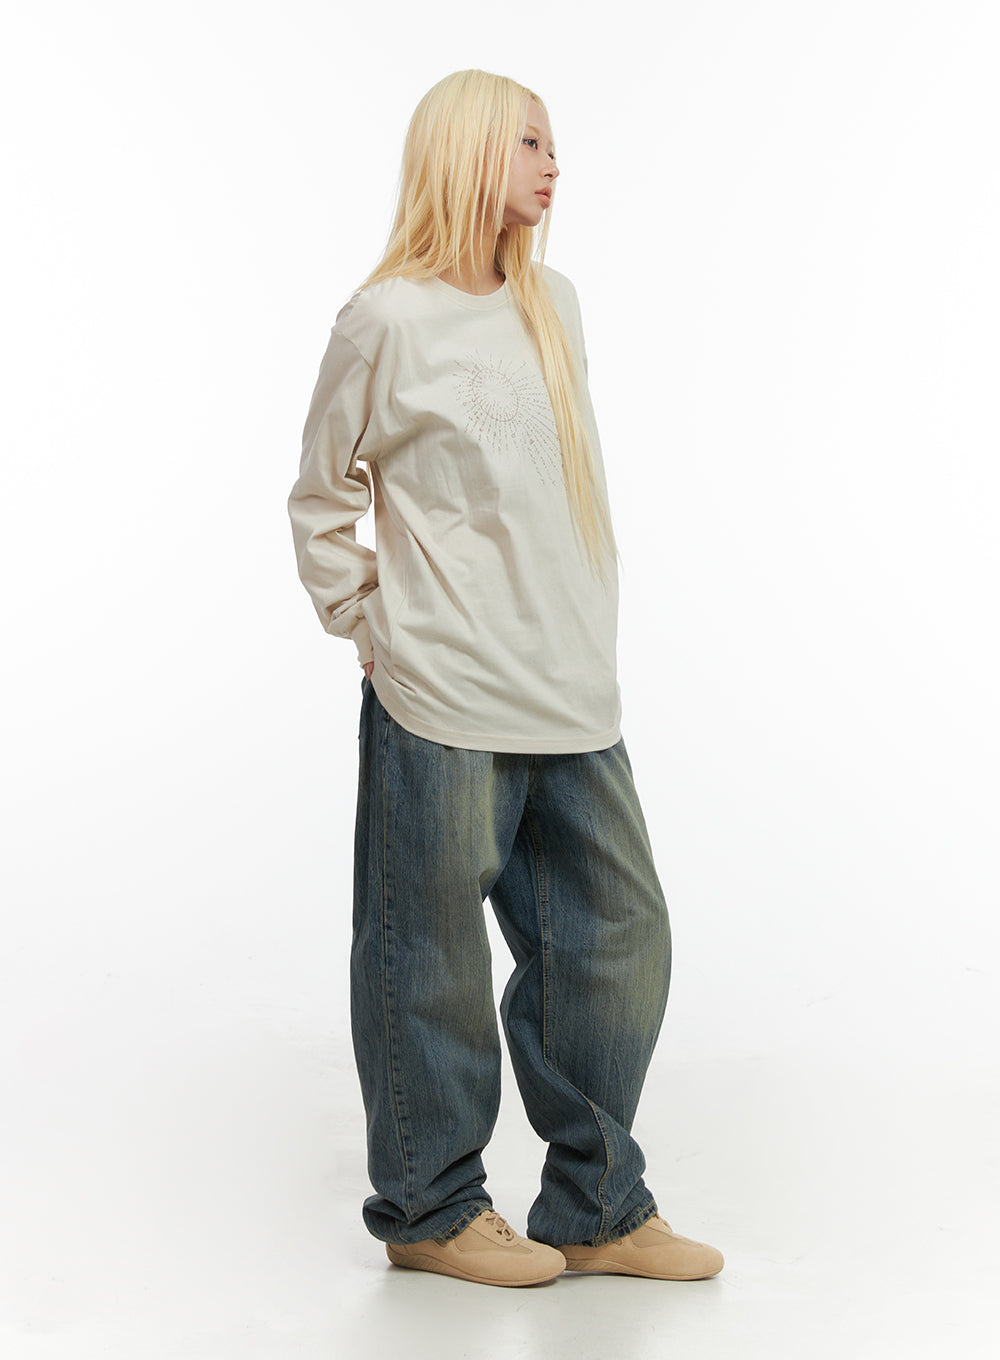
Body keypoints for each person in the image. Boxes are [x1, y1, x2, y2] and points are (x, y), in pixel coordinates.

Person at [287, 68, 723, 1289]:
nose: (551, 161)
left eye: (553, 142)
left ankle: (596, 1207)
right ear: (470, 151)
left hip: (570, 686)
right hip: (441, 692)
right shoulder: (384, 320)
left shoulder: (554, 303)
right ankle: (430, 1208)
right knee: (427, 959)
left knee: (617, 936)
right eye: (529, 141)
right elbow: (320, 496)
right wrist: (368, 621)